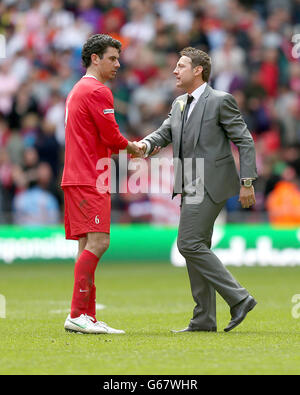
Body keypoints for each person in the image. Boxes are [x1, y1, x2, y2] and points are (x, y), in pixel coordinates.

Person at [138, 47, 258, 333]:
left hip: (211, 183)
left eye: (181, 66)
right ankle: (204, 319)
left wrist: (247, 182)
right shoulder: (180, 102)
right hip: (189, 184)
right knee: (196, 247)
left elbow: (245, 141)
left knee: (188, 244)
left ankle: (239, 297)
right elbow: (165, 132)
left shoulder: (221, 100)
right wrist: (142, 146)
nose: (175, 71)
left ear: (198, 70)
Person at [61, 34, 143, 334]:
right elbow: (111, 137)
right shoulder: (98, 91)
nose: (118, 64)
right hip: (89, 177)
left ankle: (86, 316)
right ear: (95, 58)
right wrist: (136, 148)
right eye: (112, 58)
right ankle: (77, 314)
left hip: (75, 175)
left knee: (86, 245)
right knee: (99, 242)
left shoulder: (77, 89)